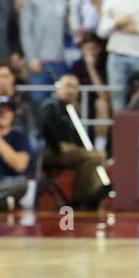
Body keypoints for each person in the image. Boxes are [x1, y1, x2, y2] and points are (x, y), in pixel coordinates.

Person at [38, 74, 110, 207]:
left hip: (70, 151)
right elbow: (44, 128)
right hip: (49, 151)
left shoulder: (72, 110)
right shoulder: (51, 106)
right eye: (67, 86)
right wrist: (58, 147)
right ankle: (81, 198)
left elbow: (79, 136)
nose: (70, 91)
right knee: (90, 158)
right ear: (58, 88)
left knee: (99, 155)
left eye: (74, 87)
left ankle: (94, 191)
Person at [20, 0, 69, 103]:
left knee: (58, 100)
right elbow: (26, 31)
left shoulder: (63, 1)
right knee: (38, 100)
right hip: (39, 60)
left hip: (58, 60)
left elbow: (66, 31)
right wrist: (32, 57)